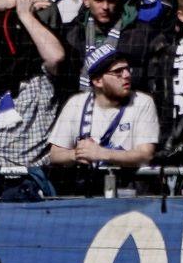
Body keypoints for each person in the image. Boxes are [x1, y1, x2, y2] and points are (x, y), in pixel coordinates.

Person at [47, 51, 160, 182]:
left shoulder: (142, 102)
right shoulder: (76, 103)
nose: (127, 75)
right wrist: (77, 154)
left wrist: (102, 153)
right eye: (118, 72)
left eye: (127, 69)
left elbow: (145, 155)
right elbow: (55, 154)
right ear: (98, 81)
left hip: (128, 188)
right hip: (87, 188)